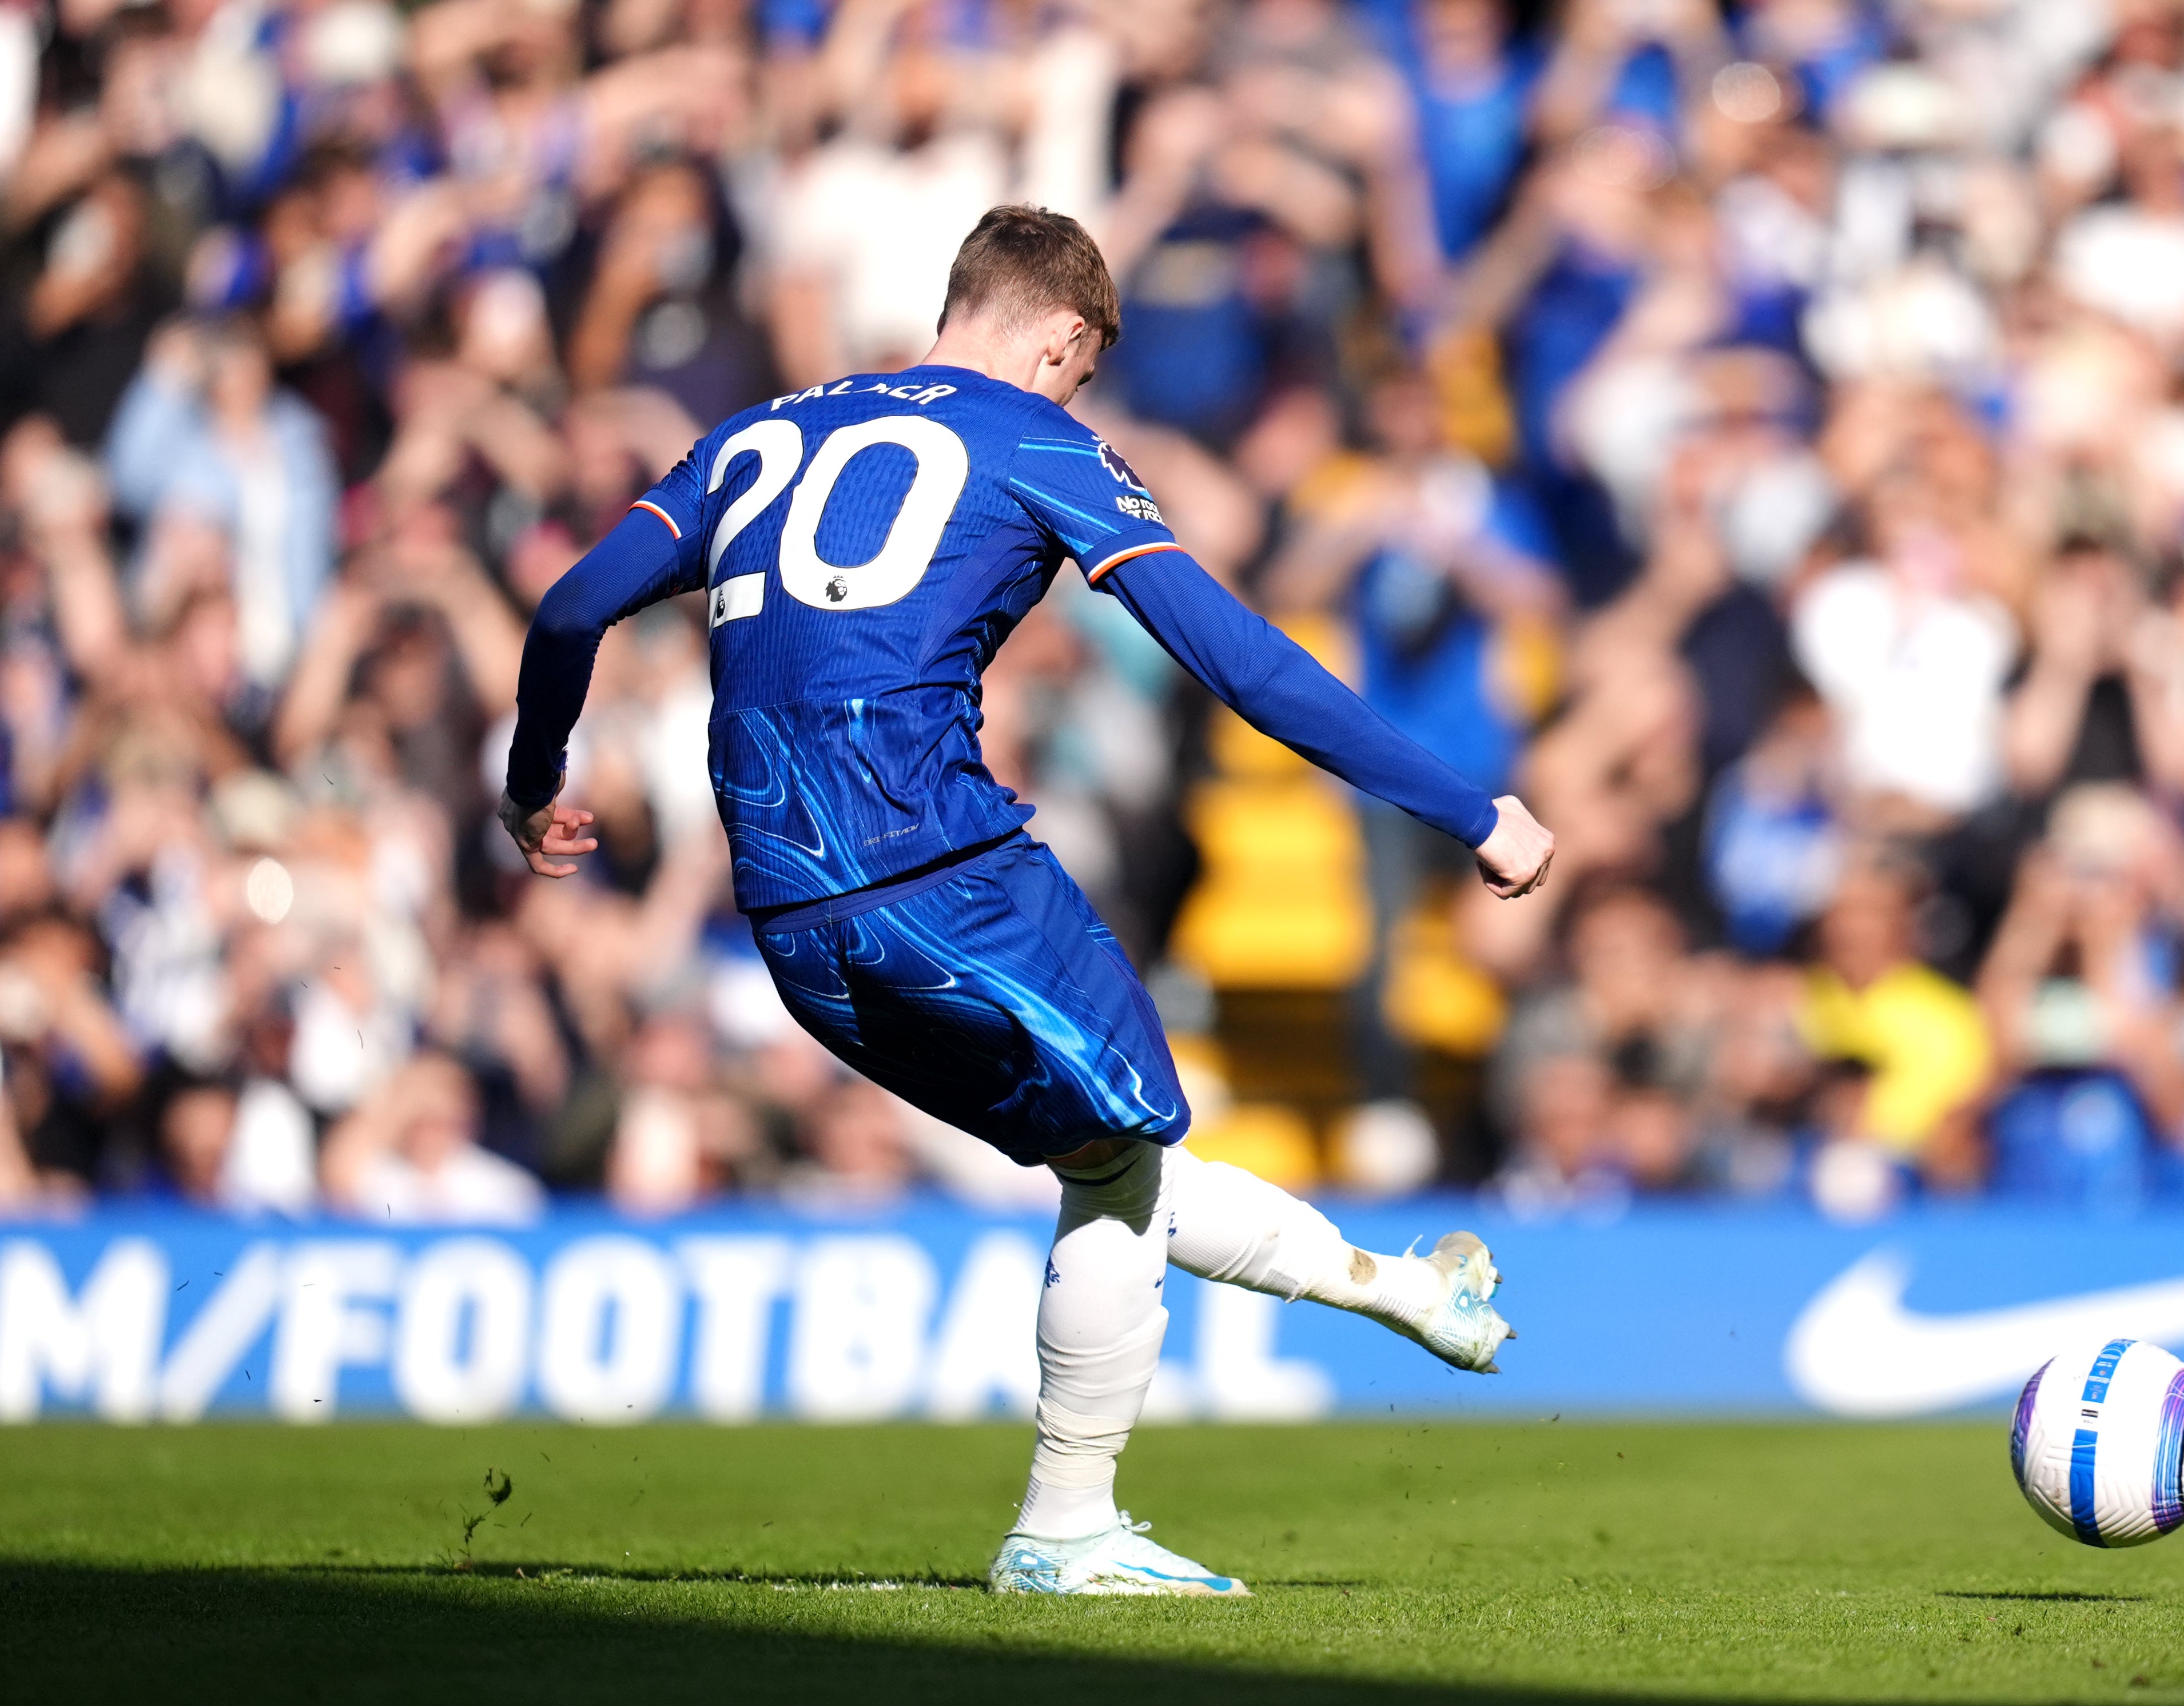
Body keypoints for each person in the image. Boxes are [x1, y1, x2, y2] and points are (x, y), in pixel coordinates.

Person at [496, 206, 1556, 1598]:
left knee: (1108, 1158)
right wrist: (1470, 808)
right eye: (1084, 369)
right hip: (941, 866)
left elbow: (571, 608)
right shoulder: (1036, 435)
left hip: (788, 916)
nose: (1078, 391)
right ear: (1063, 338)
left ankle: (1404, 1288)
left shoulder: (750, 439)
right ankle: (1066, 1527)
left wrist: (533, 781)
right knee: (1124, 1147)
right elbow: (1234, 660)